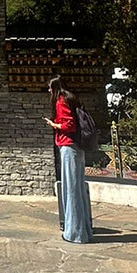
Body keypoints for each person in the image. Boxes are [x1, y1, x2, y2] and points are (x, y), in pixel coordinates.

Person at [45, 77, 92, 243]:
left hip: (68, 146)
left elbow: (68, 125)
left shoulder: (61, 101)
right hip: (77, 147)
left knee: (70, 189)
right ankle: (84, 230)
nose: (49, 91)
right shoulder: (72, 98)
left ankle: (74, 233)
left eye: (50, 88)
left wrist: (54, 125)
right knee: (78, 188)